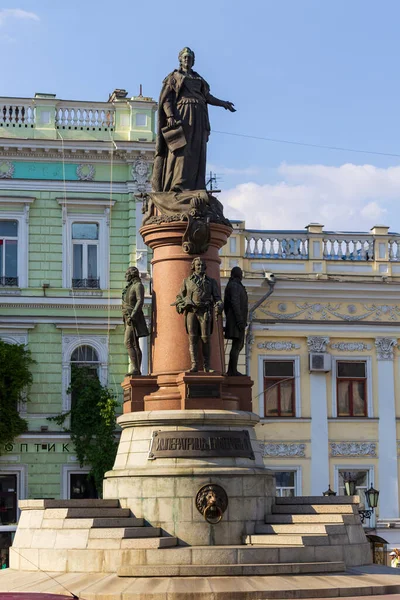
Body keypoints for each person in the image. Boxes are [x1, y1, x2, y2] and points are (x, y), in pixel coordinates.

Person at [152, 47, 235, 193]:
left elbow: (207, 97)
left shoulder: (198, 79)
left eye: (189, 58)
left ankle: (195, 185)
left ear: (193, 61)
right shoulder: (174, 77)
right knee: (181, 149)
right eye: (184, 57)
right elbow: (166, 100)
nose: (187, 60)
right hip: (182, 114)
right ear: (180, 59)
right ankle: (177, 184)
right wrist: (170, 116)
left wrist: (223, 103)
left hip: (199, 117)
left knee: (197, 150)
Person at [174, 257, 223, 372]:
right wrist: (183, 304)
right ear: (193, 267)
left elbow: (217, 298)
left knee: (205, 339)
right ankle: (194, 365)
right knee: (193, 338)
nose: (200, 267)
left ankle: (207, 366)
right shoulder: (187, 281)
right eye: (198, 265)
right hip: (191, 312)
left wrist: (219, 305)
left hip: (205, 311)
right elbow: (179, 298)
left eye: (202, 265)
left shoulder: (211, 282)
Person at [122, 267, 149, 376]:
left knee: (128, 342)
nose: (125, 276)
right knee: (134, 343)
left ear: (132, 275)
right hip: (127, 316)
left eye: (127, 274)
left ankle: (136, 368)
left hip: (133, 317)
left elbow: (140, 301)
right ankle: (136, 368)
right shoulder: (130, 286)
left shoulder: (138, 285)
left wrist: (132, 315)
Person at [224, 266, 248, 376]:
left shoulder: (237, 285)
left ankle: (232, 370)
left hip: (237, 319)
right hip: (235, 320)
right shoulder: (234, 285)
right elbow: (235, 302)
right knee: (237, 345)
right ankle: (232, 371)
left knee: (239, 345)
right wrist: (239, 320)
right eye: (240, 273)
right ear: (236, 274)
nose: (242, 275)